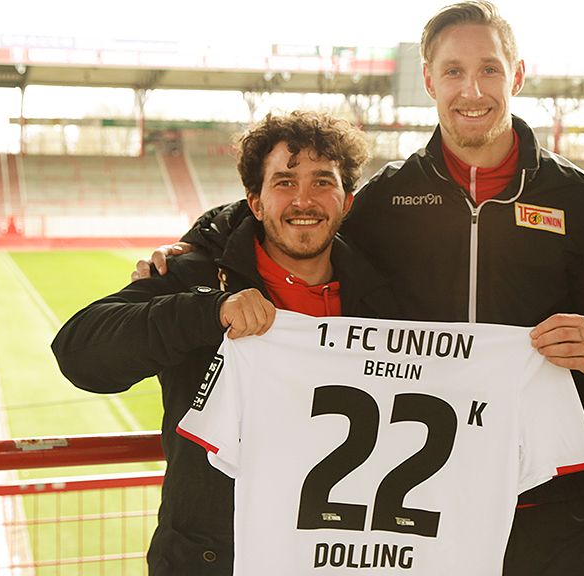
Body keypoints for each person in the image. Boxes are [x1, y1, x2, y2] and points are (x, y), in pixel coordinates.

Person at [135, 2, 584, 574]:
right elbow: (296, 221)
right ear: (429, 79)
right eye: (454, 71)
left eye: (489, 69)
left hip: (548, 504)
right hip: (426, 509)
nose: (472, 89)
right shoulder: (386, 200)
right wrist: (198, 244)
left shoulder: (578, 199)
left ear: (516, 75)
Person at [52, 110, 399, 575]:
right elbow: (78, 352)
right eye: (284, 182)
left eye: (322, 182)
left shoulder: (385, 299)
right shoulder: (193, 275)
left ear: (346, 201)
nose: (304, 200)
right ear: (254, 203)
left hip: (334, 556)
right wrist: (209, 310)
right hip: (210, 558)